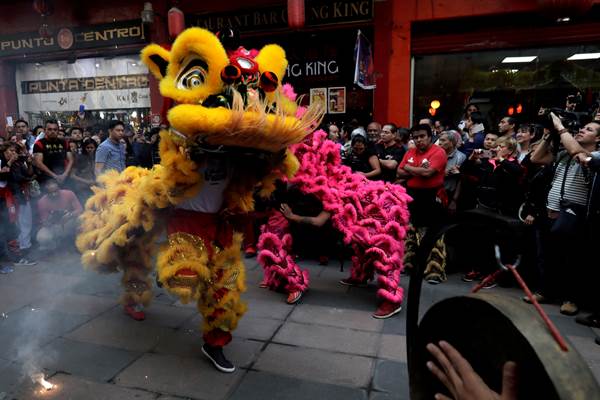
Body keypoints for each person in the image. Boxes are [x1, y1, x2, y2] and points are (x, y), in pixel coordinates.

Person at [527, 114, 600, 316]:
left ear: (598, 140)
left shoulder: (593, 158)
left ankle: (571, 299)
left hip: (574, 215)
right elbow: (536, 158)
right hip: (550, 210)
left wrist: (560, 128)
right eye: (582, 127)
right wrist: (550, 135)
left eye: (590, 130)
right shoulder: (563, 154)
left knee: (572, 260)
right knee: (546, 255)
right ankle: (545, 291)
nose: (583, 130)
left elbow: (579, 154)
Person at [397, 124, 448, 283]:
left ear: (429, 136)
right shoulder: (410, 152)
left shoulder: (438, 152)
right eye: (415, 137)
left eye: (422, 136)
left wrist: (409, 168)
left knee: (433, 234)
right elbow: (399, 172)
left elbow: (428, 173)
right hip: (412, 195)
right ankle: (409, 265)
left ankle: (434, 272)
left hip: (432, 196)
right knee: (411, 231)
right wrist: (417, 169)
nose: (418, 140)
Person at [2, 143, 36, 265]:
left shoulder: (18, 162)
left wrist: (30, 163)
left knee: (26, 222)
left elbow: (28, 174)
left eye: (15, 151)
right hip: (13, 197)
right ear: (4, 151)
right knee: (18, 224)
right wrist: (10, 161)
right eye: (11, 150)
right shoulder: (3, 162)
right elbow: (12, 177)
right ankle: (19, 254)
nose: (14, 153)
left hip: (22, 194)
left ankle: (24, 250)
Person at [36, 180, 83, 251]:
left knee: (83, 219)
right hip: (55, 226)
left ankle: (80, 243)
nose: (54, 194)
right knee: (42, 237)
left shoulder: (69, 194)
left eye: (55, 191)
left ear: (59, 189)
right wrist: (51, 219)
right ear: (46, 192)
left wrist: (70, 215)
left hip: (69, 222)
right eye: (50, 193)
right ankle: (54, 246)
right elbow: (45, 222)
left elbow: (79, 209)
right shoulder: (42, 202)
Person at [32, 119, 74, 184]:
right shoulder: (39, 143)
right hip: (46, 179)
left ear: (58, 130)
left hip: (63, 176)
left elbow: (71, 160)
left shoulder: (64, 142)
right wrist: (55, 176)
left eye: (55, 129)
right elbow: (38, 163)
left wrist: (65, 174)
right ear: (45, 130)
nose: (52, 131)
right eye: (49, 129)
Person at [439, 131, 466, 214]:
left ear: (451, 143)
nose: (440, 143)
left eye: (443, 140)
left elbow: (460, 181)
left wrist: (454, 200)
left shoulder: (461, 157)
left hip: (449, 194)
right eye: (440, 140)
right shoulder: (436, 154)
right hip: (434, 192)